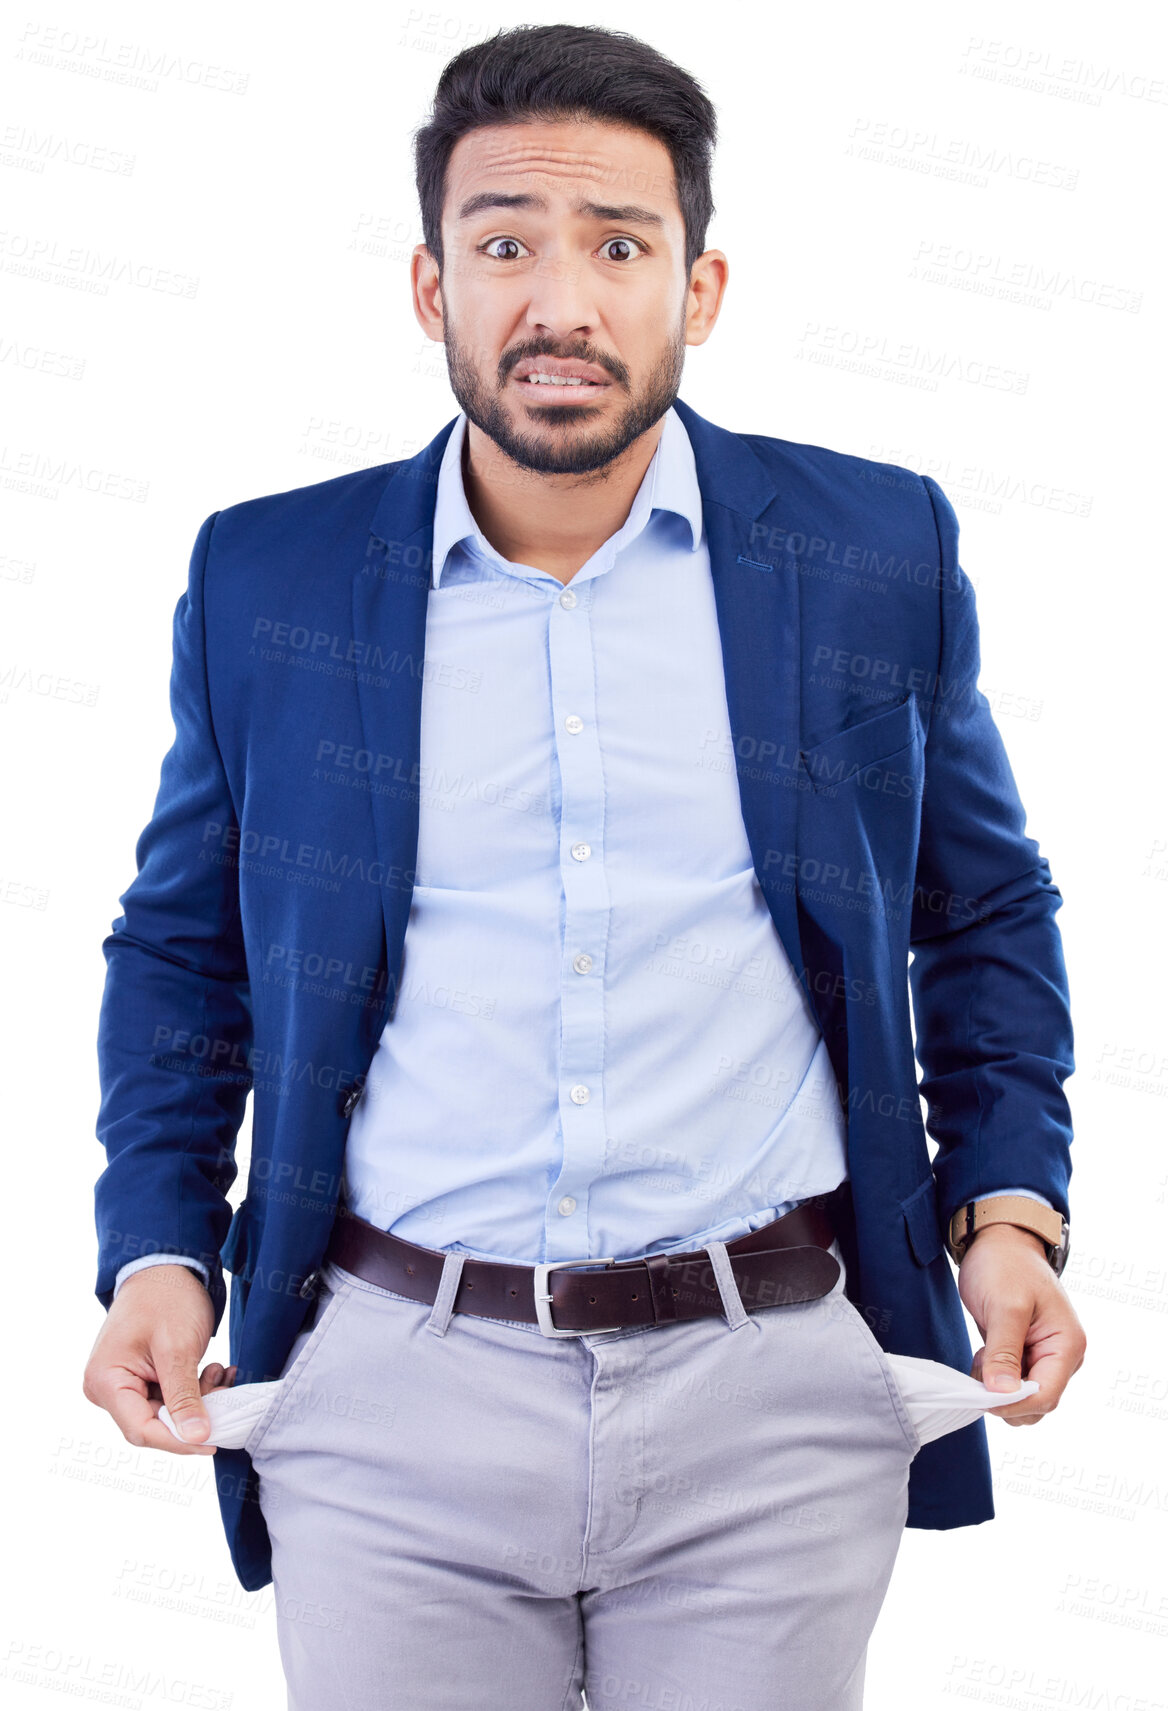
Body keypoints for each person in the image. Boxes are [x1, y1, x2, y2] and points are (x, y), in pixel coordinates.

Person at [83, 23, 1085, 1709]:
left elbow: (979, 908)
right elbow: (186, 951)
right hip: (395, 1392)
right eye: (504, 243)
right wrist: (160, 1250)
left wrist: (1011, 1211)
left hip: (767, 1394)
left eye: (618, 245)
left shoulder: (865, 554)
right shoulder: (273, 576)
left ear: (697, 289)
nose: (562, 300)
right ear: (431, 287)